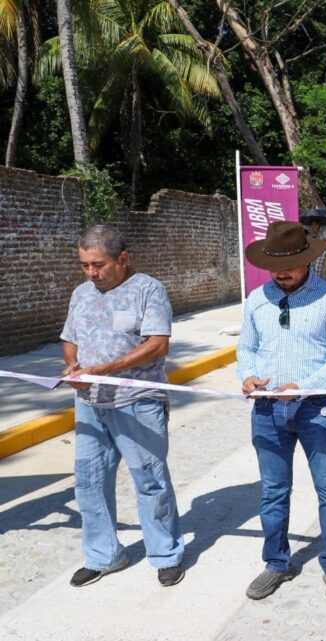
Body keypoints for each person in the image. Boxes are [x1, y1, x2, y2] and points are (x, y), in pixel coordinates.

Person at [237, 221, 326, 602]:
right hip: (266, 411)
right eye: (275, 266)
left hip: (315, 410)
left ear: (306, 261)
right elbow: (246, 348)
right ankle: (277, 562)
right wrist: (248, 376)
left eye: (289, 265)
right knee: (273, 492)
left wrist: (303, 389)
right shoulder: (257, 299)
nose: (281, 273)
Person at [60, 225, 185, 588]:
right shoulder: (81, 293)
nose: (91, 273)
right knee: (89, 482)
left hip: (138, 402)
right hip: (89, 404)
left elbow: (158, 345)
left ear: (123, 258)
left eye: (98, 265)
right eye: (84, 265)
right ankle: (104, 555)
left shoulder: (148, 290)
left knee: (150, 479)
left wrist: (103, 370)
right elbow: (70, 339)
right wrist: (73, 366)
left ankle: (165, 554)